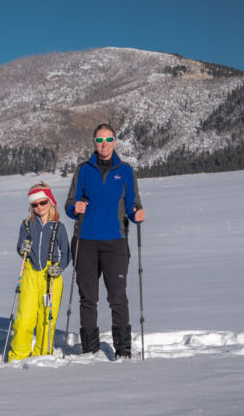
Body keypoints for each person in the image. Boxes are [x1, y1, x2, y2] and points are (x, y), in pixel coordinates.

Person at [65, 123, 145, 359]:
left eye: (108, 140)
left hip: (115, 243)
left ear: (115, 142)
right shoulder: (83, 170)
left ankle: (123, 350)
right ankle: (90, 349)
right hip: (85, 241)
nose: (104, 145)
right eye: (99, 140)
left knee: (117, 296)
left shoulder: (126, 171)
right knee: (88, 298)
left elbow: (133, 204)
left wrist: (136, 213)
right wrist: (74, 208)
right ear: (94, 143)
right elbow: (70, 204)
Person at [8, 182, 70, 361]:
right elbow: (20, 247)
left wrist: (59, 267)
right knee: (24, 318)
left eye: (42, 202)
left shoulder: (59, 227)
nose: (39, 207)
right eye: (34, 204)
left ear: (50, 201)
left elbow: (66, 253)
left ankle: (43, 355)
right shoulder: (27, 224)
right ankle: (18, 356)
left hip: (51, 276)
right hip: (30, 274)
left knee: (47, 318)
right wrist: (23, 248)